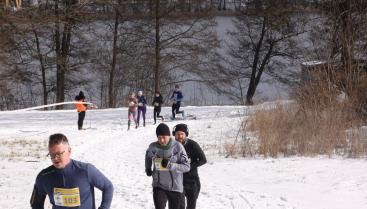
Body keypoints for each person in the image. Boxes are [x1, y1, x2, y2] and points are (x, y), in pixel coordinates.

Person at [30, 133, 114, 209]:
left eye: (59, 154)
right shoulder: (44, 176)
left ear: (69, 151)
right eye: (52, 155)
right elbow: (36, 203)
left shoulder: (85, 170)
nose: (55, 158)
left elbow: (108, 187)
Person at [145, 123, 190, 209]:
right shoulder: (153, 146)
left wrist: (170, 165)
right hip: (158, 185)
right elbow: (148, 155)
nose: (161, 140)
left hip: (174, 187)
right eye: (159, 138)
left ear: (169, 136)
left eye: (164, 137)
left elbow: (186, 167)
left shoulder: (178, 147)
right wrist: (148, 168)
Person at [173, 124, 207, 209]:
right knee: (180, 206)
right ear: (174, 135)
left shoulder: (193, 145)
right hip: (178, 181)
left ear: (186, 135)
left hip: (192, 181)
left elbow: (203, 159)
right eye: (177, 134)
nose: (180, 136)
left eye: (182, 134)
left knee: (191, 206)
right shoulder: (171, 146)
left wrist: (189, 167)